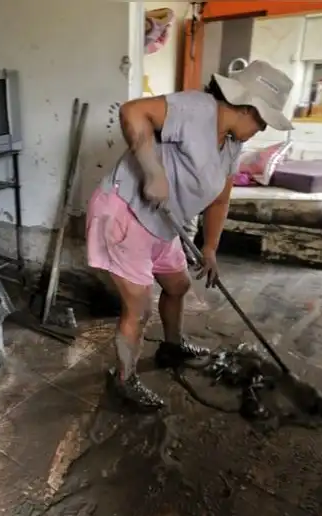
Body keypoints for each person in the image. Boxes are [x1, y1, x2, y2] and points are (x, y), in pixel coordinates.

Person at [85, 60, 294, 410]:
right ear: (247, 107)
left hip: (165, 223)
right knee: (138, 309)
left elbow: (220, 199)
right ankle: (123, 379)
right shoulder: (197, 108)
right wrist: (153, 171)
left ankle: (172, 347)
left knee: (178, 286)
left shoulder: (232, 144)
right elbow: (132, 111)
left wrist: (210, 248)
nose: (261, 129)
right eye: (262, 121)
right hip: (126, 213)